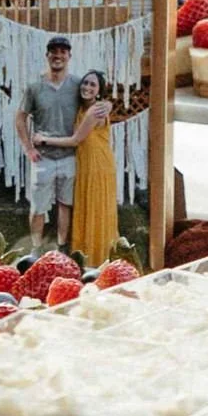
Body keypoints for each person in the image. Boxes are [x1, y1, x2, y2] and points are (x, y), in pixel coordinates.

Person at [34, 69, 118, 267]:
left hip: (97, 164)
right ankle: (85, 258)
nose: (87, 87)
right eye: (85, 83)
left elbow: (76, 140)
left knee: (94, 209)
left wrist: (43, 140)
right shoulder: (86, 106)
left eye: (92, 85)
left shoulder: (94, 110)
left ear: (99, 91)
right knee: (85, 207)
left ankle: (96, 260)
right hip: (86, 162)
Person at [14, 35, 82, 251]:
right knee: (38, 207)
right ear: (47, 55)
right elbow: (20, 118)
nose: (58, 55)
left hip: (69, 155)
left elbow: (95, 102)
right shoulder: (35, 87)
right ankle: (36, 248)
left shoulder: (78, 85)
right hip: (43, 158)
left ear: (69, 56)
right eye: (54, 51)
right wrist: (28, 148)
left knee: (65, 204)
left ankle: (62, 246)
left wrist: (106, 106)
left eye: (63, 51)